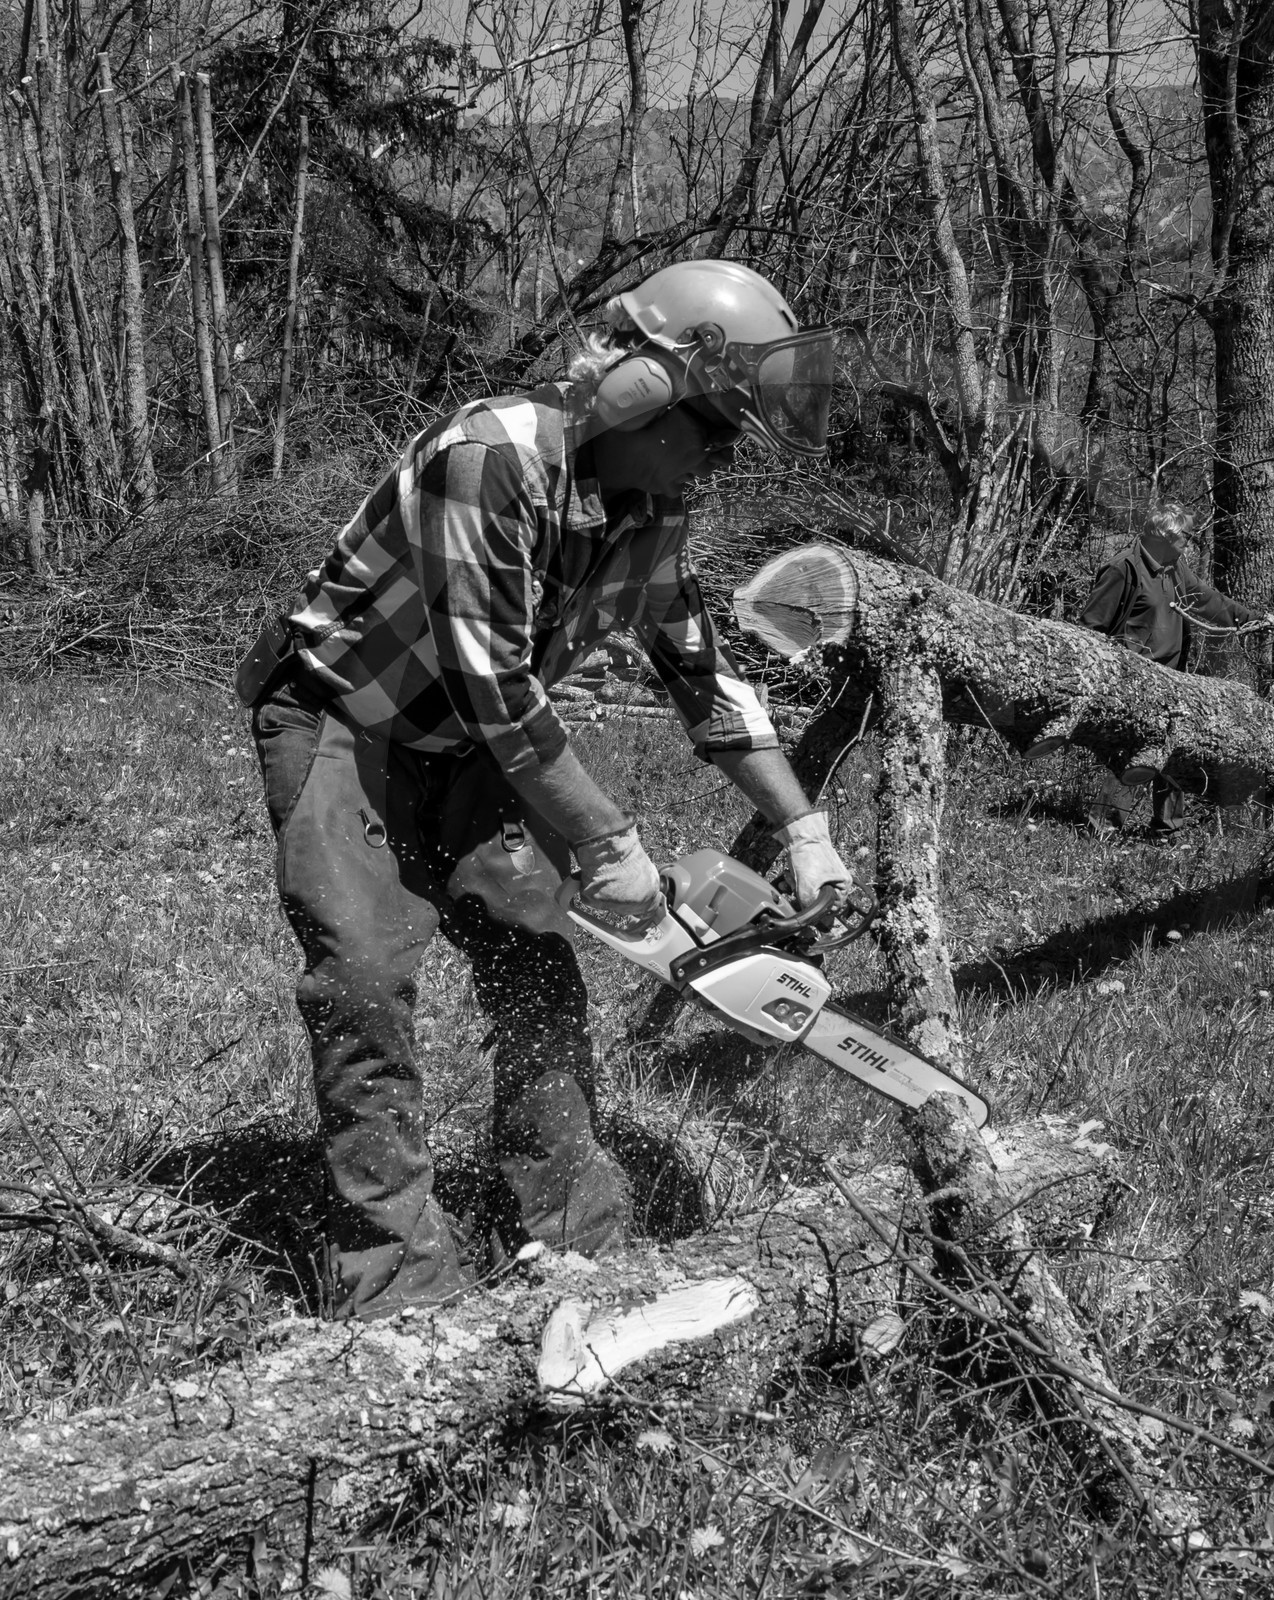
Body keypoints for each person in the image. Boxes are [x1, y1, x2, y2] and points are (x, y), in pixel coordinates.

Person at [237, 260, 852, 1321]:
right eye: (708, 429)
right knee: (365, 976)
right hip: (347, 718)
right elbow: (497, 684)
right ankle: (397, 1284)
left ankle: (577, 1234)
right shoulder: (490, 459)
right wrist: (608, 844)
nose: (713, 462)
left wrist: (803, 825)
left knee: (537, 964)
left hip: (472, 747)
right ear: (638, 389)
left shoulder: (650, 508)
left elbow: (702, 676)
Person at [1080, 502, 1274, 838]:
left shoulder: (1174, 568)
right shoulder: (1123, 568)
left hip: (1174, 679)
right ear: (1165, 536)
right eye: (1186, 537)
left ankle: (1168, 830)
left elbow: (1209, 601)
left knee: (1175, 751)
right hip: (1135, 682)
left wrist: (1255, 620)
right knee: (1135, 754)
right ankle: (1101, 829)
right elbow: (1090, 628)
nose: (1190, 543)